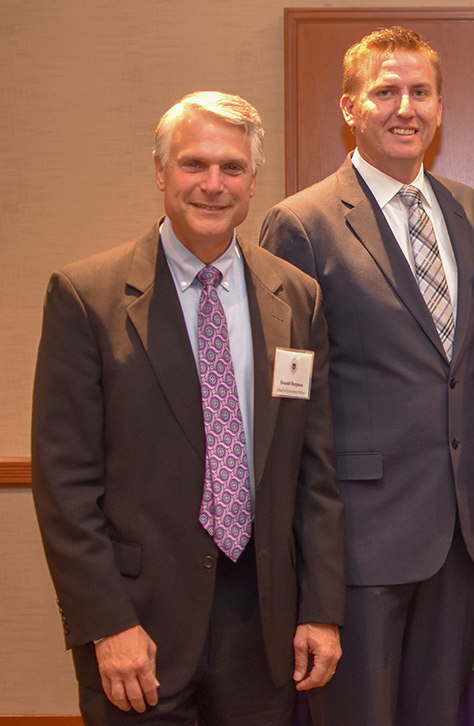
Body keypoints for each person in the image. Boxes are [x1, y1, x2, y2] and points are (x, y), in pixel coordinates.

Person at [31, 91, 344, 725]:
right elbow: (64, 484)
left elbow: (317, 473)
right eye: (193, 164)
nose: (212, 184)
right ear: (159, 170)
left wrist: (320, 609)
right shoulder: (86, 297)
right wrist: (108, 622)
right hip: (138, 624)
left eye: (231, 168)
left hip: (263, 624)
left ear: (254, 180)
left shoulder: (297, 296)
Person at [258, 26, 474, 726]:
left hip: (457, 535)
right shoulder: (300, 223)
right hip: (356, 536)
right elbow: (285, 399)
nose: (405, 107)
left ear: (440, 107)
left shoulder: (470, 212)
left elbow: (468, 366)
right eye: (385, 91)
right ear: (349, 107)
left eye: (421, 92)